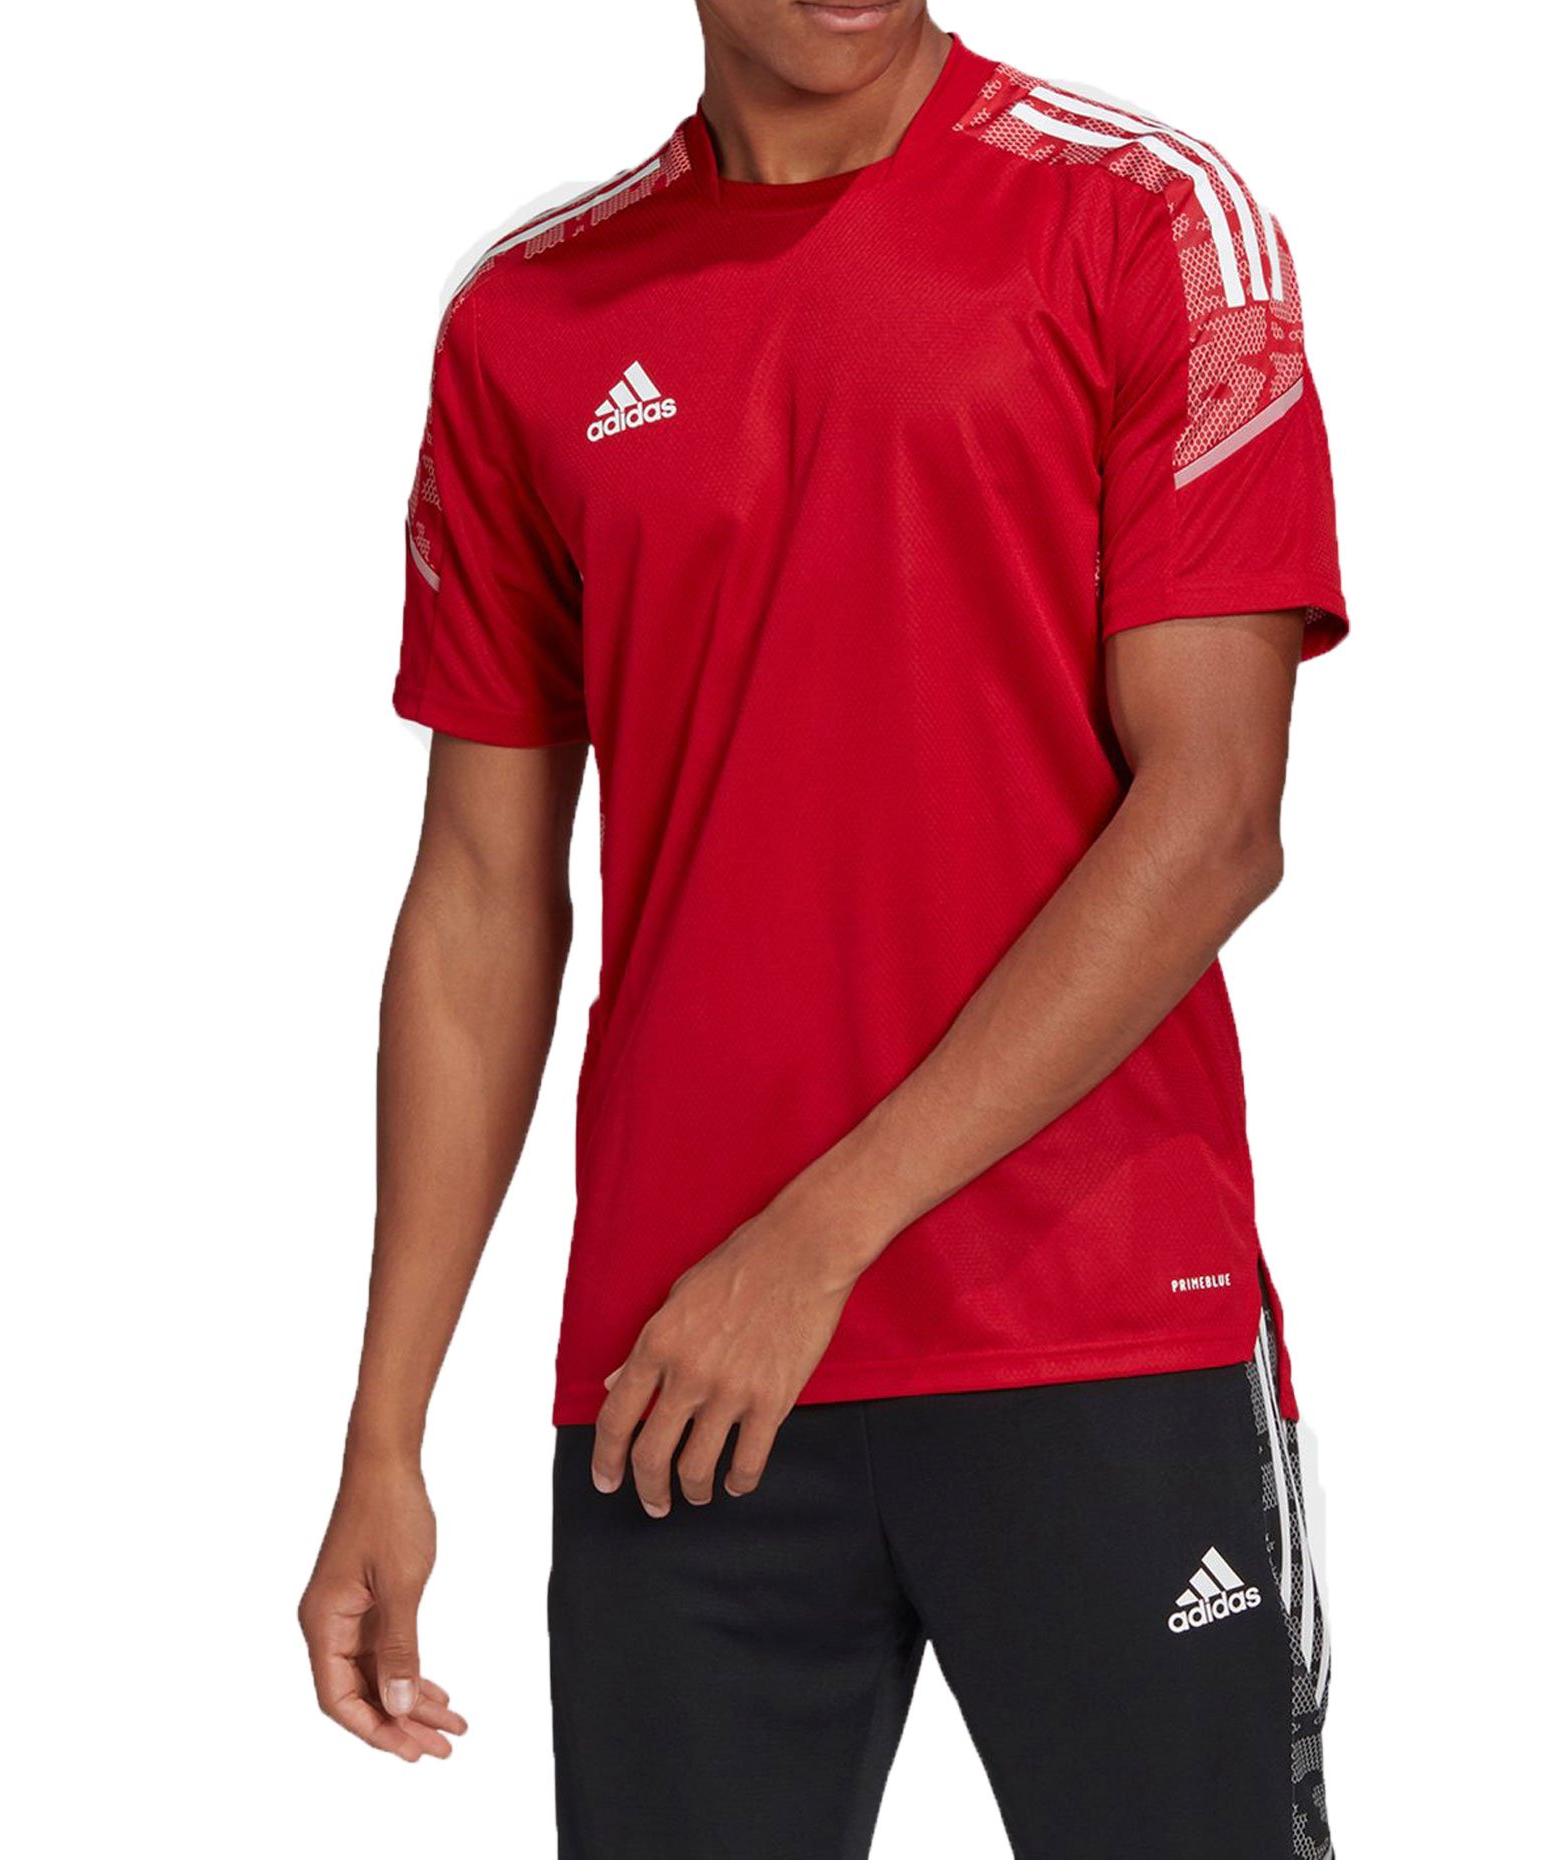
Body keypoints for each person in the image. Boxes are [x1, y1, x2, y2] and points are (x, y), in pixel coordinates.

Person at [300, 5, 1348, 1854]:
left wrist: (813, 1243)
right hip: (675, 1387)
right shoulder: (531, 320)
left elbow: (1214, 824)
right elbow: (478, 900)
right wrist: (387, 1428)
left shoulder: (1145, 220)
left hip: (1089, 1330)